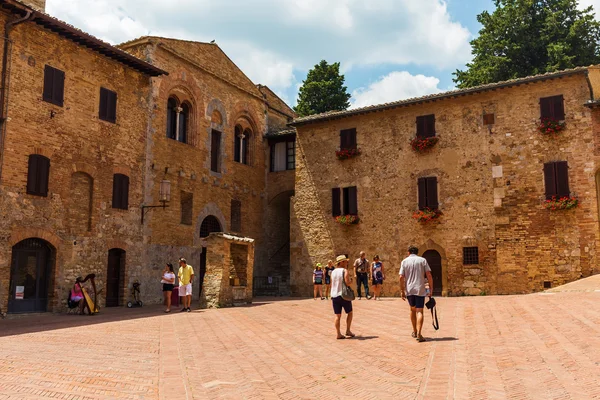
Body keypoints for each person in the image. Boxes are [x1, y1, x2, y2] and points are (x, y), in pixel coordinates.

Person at [399, 246, 434, 342]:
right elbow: (429, 275)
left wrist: (402, 290)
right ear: (417, 252)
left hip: (409, 289)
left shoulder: (404, 261)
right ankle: (419, 332)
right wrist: (431, 288)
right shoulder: (422, 260)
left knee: (412, 309)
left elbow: (401, 277)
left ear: (408, 252)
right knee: (419, 311)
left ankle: (414, 331)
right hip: (420, 289)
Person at [330, 255, 355, 339]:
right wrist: (351, 281)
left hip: (334, 295)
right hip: (343, 295)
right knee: (350, 313)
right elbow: (347, 282)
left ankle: (338, 334)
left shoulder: (333, 272)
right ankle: (348, 330)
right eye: (345, 261)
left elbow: (331, 283)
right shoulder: (344, 270)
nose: (347, 263)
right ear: (341, 262)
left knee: (337, 316)